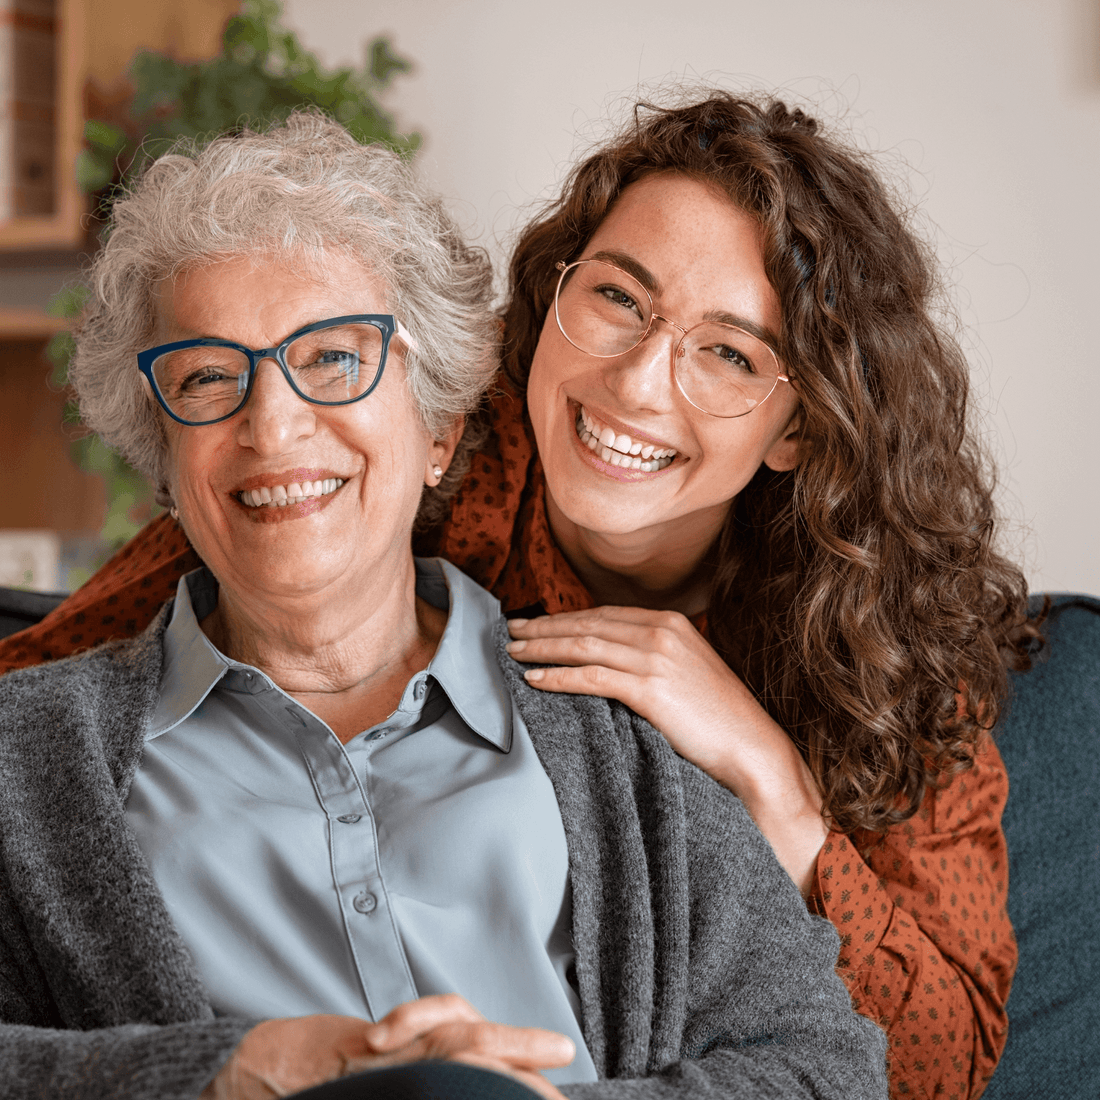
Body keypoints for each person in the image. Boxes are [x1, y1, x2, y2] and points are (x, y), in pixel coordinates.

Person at [0, 92, 1027, 1097]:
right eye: (617, 298)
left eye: (726, 350)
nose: (634, 384)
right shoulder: (393, 473)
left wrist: (768, 781)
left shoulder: (784, 699)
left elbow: (881, 1064)